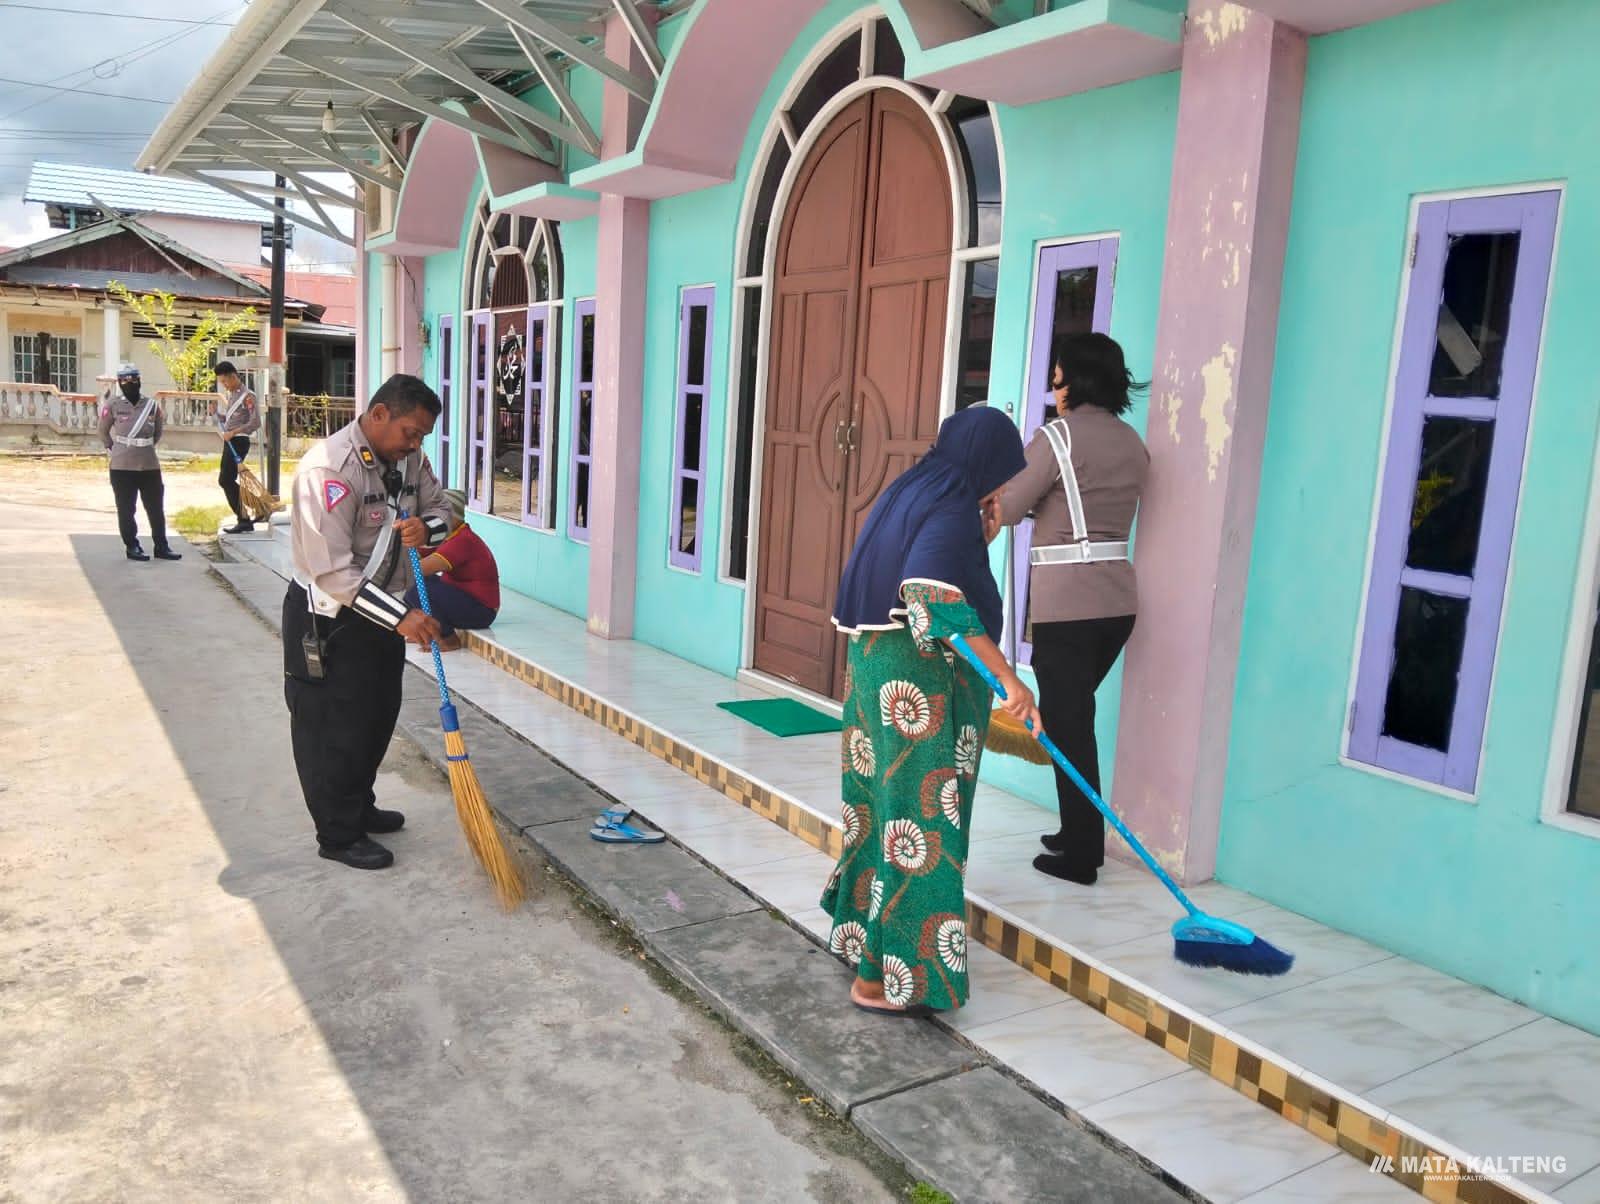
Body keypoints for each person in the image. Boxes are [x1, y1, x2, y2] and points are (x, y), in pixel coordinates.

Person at [822, 405, 1042, 1016]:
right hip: (912, 681)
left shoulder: (916, 489)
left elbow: (925, 570)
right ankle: (885, 981)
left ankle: (864, 943)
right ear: (988, 464)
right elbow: (930, 595)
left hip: (875, 668)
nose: (1003, 487)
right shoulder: (951, 507)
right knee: (920, 822)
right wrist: (1008, 680)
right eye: (1004, 473)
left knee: (881, 810)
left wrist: (984, 534)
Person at [283, 374, 451, 871]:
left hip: (384, 617)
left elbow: (446, 506)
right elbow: (332, 571)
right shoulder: (328, 471)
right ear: (379, 415)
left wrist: (428, 527)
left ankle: (359, 803)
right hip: (329, 620)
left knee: (376, 717)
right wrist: (402, 618)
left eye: (422, 436)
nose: (417, 445)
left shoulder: (411, 460)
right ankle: (337, 833)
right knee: (331, 727)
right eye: (411, 432)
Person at [999, 332, 1149, 886]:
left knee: (1068, 727)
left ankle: (1083, 855)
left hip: (1067, 608)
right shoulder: (1133, 442)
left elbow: (1009, 504)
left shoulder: (1056, 437)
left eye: (1057, 377)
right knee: (1073, 720)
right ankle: (1076, 830)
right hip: (1117, 606)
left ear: (1076, 380)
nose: (1053, 388)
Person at [97, 362, 180, 562]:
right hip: (122, 467)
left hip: (149, 465)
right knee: (126, 509)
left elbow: (157, 432)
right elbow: (103, 431)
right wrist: (115, 449)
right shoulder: (113, 405)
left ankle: (162, 546)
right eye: (125, 380)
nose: (130, 383)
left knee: (155, 508)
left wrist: (143, 447)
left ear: (139, 380)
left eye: (134, 379)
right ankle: (132, 546)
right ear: (119, 382)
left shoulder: (151, 405)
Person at [404, 488, 499, 652]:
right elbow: (415, 554)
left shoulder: (463, 540)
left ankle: (448, 638)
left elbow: (420, 568)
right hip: (461, 597)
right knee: (409, 583)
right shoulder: (447, 535)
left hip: (481, 610)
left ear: (453, 517)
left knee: (414, 585)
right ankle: (426, 632)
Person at [210, 360, 261, 534]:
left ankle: (248, 514)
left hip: (239, 441)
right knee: (226, 480)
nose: (224, 385)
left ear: (233, 376)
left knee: (225, 480)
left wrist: (233, 432)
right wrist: (218, 415)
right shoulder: (232, 395)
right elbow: (232, 419)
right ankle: (249, 514)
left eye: (225, 381)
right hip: (230, 441)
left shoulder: (248, 396)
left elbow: (255, 422)